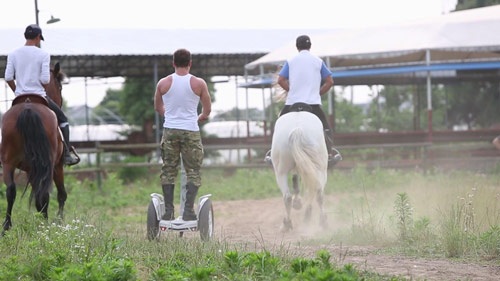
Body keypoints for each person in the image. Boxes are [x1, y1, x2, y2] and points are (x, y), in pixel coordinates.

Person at [4, 24, 78, 166]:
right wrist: (39, 90)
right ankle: (67, 154)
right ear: (38, 37)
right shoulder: (43, 54)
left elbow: (8, 77)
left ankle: (3, 152)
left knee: (6, 121)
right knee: (63, 119)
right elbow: (45, 79)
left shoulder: (13, 54)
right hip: (39, 95)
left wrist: (17, 91)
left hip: (20, 97)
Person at [154, 48, 211, 221]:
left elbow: (158, 107)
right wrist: (200, 117)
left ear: (173, 63)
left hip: (170, 130)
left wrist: (170, 116)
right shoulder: (198, 83)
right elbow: (207, 110)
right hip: (191, 130)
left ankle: (169, 211)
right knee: (193, 170)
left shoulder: (163, 83)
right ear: (190, 63)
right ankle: (188, 211)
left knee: (169, 169)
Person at [265, 35, 340, 165]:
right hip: (313, 104)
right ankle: (328, 155)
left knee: (279, 126)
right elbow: (330, 81)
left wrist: (291, 90)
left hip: (292, 103)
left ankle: (273, 154)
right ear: (310, 46)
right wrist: (318, 93)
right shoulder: (318, 61)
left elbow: (280, 80)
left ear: (297, 47)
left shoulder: (291, 61)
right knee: (326, 129)